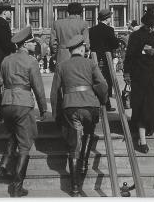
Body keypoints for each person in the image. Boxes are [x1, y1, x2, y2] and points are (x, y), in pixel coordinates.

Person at [50, 35, 108, 197]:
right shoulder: (90, 63)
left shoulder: (62, 66)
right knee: (89, 131)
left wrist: (56, 113)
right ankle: (84, 163)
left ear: (70, 51)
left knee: (73, 147)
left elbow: (55, 92)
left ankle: (74, 188)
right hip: (90, 105)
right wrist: (102, 100)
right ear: (82, 49)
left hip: (70, 106)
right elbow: (102, 84)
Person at [0, 26, 48, 197]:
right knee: (25, 144)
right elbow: (38, 88)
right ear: (25, 44)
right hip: (23, 102)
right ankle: (17, 187)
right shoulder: (31, 61)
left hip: (7, 102)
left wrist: (0, 106)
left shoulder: (6, 60)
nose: (35, 45)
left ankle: (4, 165)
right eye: (33, 42)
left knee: (13, 135)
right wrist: (43, 108)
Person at [123, 9, 154, 154]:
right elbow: (130, 56)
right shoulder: (136, 36)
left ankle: (147, 126)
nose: (152, 28)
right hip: (140, 75)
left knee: (149, 104)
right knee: (142, 104)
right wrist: (126, 73)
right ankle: (142, 139)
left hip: (152, 76)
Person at [89, 9, 119, 111]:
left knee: (95, 80)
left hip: (94, 59)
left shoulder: (92, 30)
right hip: (106, 60)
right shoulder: (109, 30)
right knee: (106, 81)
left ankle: (95, 104)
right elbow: (115, 44)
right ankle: (106, 104)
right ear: (107, 18)